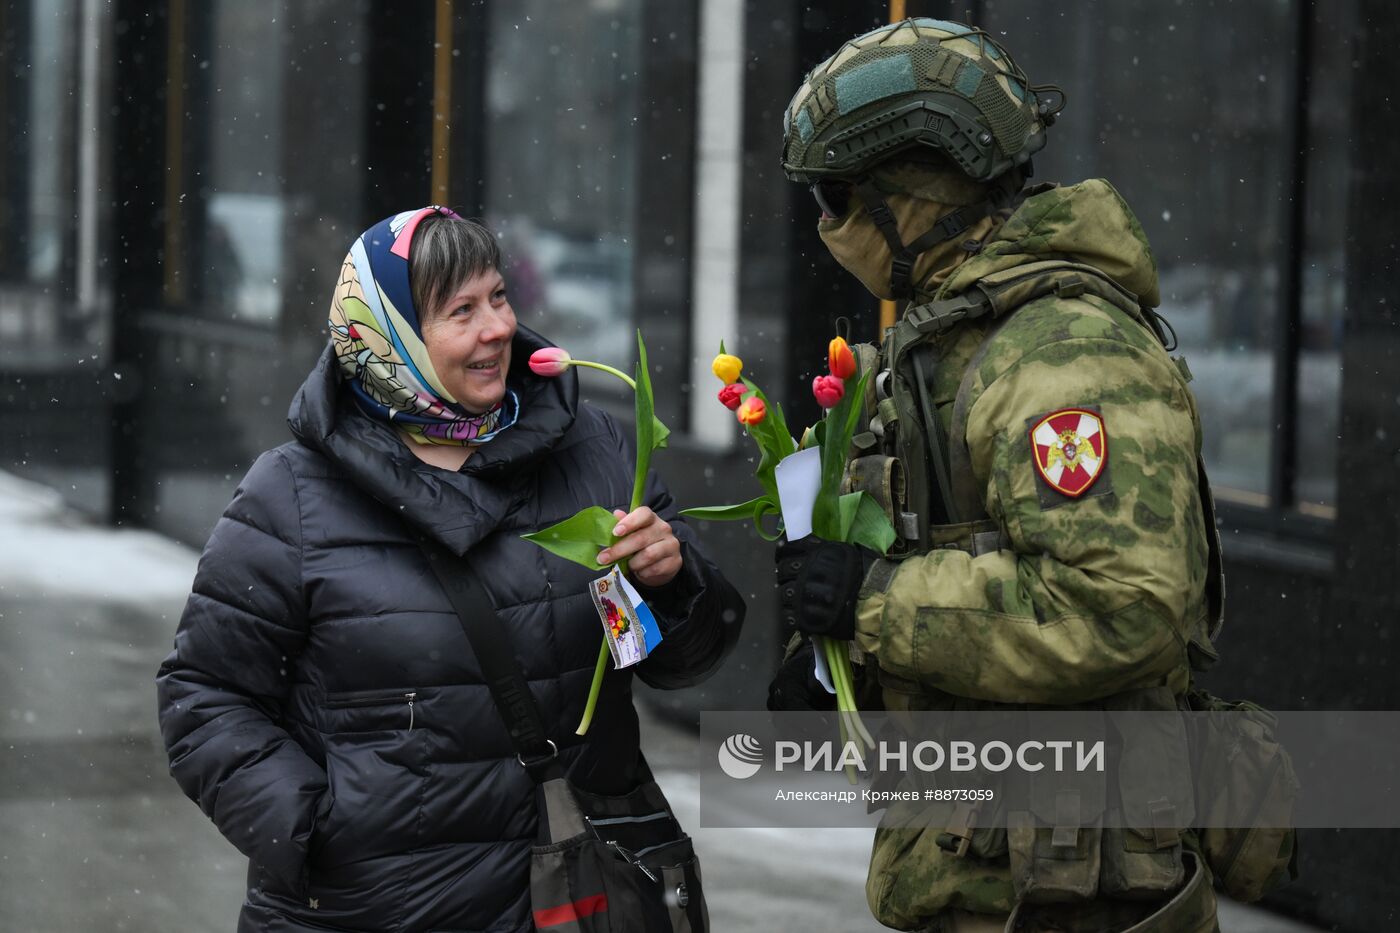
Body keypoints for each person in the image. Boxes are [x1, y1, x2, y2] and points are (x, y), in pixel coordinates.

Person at [156, 206, 745, 932]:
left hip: (572, 897)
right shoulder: (292, 496)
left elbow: (680, 659)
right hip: (376, 911)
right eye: (460, 310)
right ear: (390, 338)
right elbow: (204, 694)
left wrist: (671, 581)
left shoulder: (593, 450)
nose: (496, 327)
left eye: (498, 296)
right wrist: (311, 827)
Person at [769, 20, 1226, 933]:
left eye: (837, 198)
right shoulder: (956, 337)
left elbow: (1121, 605)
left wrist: (873, 603)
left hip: (1072, 893)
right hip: (986, 873)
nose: (829, 227)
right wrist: (836, 666)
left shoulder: (1063, 352)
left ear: (914, 193)